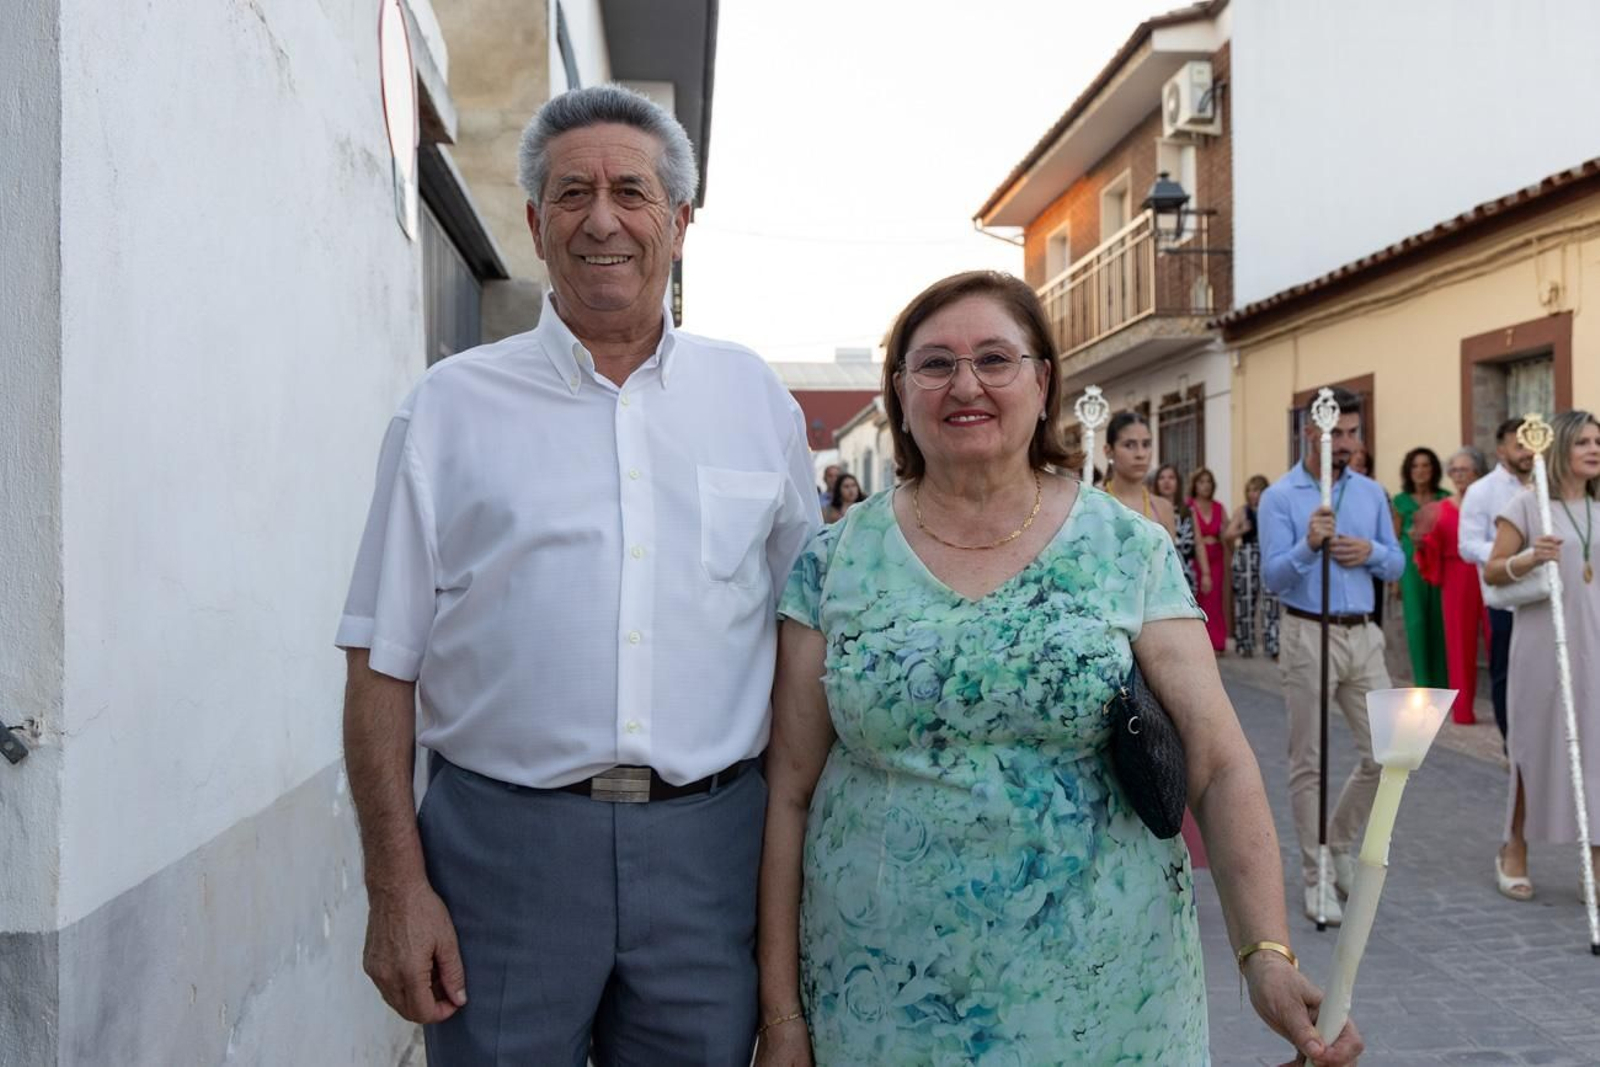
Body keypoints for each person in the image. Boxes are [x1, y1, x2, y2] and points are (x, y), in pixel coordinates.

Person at [755, 271, 1362, 1066]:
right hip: (881, 997)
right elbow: (790, 791)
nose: (965, 383)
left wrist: (1266, 954)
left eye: (995, 359)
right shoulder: (833, 563)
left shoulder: (1125, 547)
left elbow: (1217, 763)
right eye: (934, 363)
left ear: (1043, 382)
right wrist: (784, 1019)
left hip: (1107, 995)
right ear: (900, 393)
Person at [337, 85, 820, 1065]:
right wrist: (395, 885)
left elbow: (802, 638)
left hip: (710, 853)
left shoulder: (752, 400)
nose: (602, 218)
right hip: (498, 855)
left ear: (679, 223)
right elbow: (381, 665)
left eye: (631, 191)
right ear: (532, 222)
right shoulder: (447, 408)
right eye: (571, 193)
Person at [1260, 387, 1406, 925]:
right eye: (1333, 434)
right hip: (1307, 633)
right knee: (1309, 761)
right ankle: (1315, 877)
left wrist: (1372, 553)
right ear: (1308, 433)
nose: (1343, 444)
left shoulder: (1370, 492)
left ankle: (1339, 842)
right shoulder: (1282, 496)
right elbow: (1274, 577)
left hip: (1363, 634)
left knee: (1388, 753)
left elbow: (1397, 564)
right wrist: (1309, 545)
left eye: (1351, 433)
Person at [1485, 409, 1600, 901]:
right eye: (1583, 443)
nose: (1594, 449)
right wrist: (1530, 556)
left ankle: (1594, 860)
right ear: (1560, 451)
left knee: (1597, 749)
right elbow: (1492, 572)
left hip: (1596, 640)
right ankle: (1514, 847)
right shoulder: (1528, 505)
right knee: (1533, 747)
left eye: (1598, 442)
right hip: (1543, 643)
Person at [1459, 417, 1535, 740]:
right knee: (1506, 673)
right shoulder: (1481, 491)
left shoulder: (1548, 483)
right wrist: (1513, 551)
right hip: (1505, 596)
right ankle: (1510, 744)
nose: (1527, 452)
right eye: (1519, 445)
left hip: (1545, 595)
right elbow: (1467, 545)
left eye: (1531, 443)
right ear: (1501, 450)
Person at [1413, 448, 1491, 724]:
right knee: (1458, 644)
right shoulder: (1442, 508)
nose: (1458, 475)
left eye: (1464, 470)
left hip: (1488, 570)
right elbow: (1432, 544)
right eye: (1454, 470)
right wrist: (1422, 543)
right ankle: (1463, 711)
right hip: (1456, 576)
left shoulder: (1489, 502)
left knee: (1499, 640)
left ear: (1478, 472)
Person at [1392, 447, 1451, 687]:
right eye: (1415, 466)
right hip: (1410, 569)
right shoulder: (1400, 501)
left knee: (1440, 621)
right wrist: (1394, 579)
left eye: (1426, 465)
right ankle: (1423, 684)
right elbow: (1394, 540)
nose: (1420, 471)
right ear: (1408, 470)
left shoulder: (1445, 498)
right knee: (1416, 623)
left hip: (1439, 565)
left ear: (1434, 469)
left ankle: (1443, 683)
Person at [1225, 474, 1280, 658]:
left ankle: (1273, 645)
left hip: (1267, 555)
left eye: (1256, 490)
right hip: (1248, 555)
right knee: (1245, 601)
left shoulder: (1272, 509)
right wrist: (1242, 530)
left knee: (1271, 602)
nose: (1253, 494)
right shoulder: (1243, 511)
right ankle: (1245, 644)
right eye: (1250, 490)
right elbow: (1229, 535)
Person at [1103, 412, 1177, 537]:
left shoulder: (1163, 508)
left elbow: (1169, 555)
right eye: (1129, 445)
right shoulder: (1093, 504)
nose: (1140, 454)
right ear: (1109, 451)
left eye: (1146, 444)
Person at [1189, 467, 1228, 653]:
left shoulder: (1219, 507)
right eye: (1201, 481)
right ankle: (1199, 641)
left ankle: (1217, 641)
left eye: (1208, 482)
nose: (1205, 486)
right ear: (1194, 485)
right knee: (1199, 598)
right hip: (1196, 557)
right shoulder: (1189, 505)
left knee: (1214, 598)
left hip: (1217, 556)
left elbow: (1226, 533)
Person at [1154, 461, 1198, 591]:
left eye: (1171, 478)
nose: (1166, 481)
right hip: (1160, 574)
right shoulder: (1151, 509)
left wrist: (1206, 573)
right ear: (1156, 483)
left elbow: (1199, 543)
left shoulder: (1188, 511)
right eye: (1162, 478)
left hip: (1185, 573)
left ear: (1178, 482)